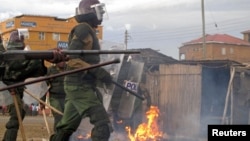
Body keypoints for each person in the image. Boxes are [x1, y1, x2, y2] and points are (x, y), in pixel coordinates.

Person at [50, 0, 113, 140]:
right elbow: (72, 58)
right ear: (91, 12)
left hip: (78, 85)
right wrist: (98, 72)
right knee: (102, 125)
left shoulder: (88, 29)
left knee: (65, 128)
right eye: (99, 10)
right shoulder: (83, 29)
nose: (101, 13)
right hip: (79, 86)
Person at [1, 30, 68, 141]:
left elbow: (24, 70)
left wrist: (43, 56)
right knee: (15, 118)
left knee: (19, 115)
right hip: (9, 90)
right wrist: (42, 57)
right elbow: (12, 66)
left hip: (14, 90)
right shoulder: (8, 55)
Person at [40, 61, 67, 132]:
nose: (62, 62)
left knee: (68, 118)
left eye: (63, 60)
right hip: (55, 98)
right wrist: (42, 101)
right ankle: (57, 136)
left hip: (68, 98)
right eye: (60, 60)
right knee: (59, 117)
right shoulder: (50, 70)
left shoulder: (70, 69)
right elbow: (44, 86)